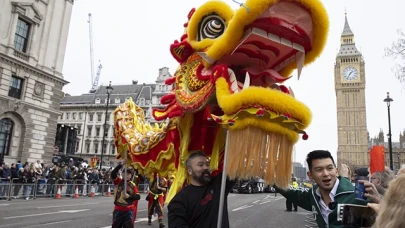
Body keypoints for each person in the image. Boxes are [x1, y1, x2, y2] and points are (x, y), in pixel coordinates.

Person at [275, 150, 368, 227]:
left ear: (336, 171)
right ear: (310, 175)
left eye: (329, 168)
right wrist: (267, 176)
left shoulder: (358, 193)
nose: (326, 174)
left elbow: (379, 218)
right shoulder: (312, 195)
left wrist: (380, 200)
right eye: (319, 170)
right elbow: (289, 191)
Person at [168, 151, 236, 228]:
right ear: (189, 171)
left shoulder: (219, 184)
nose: (206, 167)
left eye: (207, 164)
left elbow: (237, 165)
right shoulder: (179, 200)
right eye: (200, 165)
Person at [111, 161, 141, 228]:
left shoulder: (133, 185)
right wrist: (121, 164)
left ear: (131, 175)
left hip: (129, 211)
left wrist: (129, 196)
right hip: (118, 209)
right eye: (125, 173)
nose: (126, 175)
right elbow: (113, 173)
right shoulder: (118, 182)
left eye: (128, 174)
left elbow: (138, 196)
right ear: (122, 174)